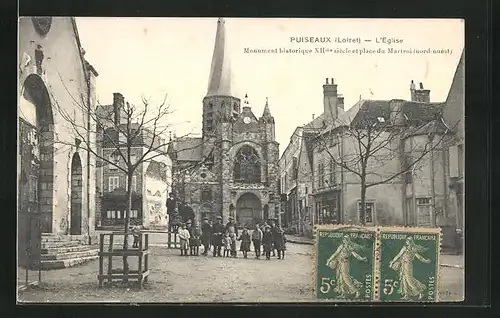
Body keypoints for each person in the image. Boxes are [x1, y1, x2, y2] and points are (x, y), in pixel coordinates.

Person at [326, 234, 367, 298]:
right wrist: (329, 260)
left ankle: (356, 291)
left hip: (345, 263)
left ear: (348, 240)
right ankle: (343, 293)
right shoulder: (341, 246)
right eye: (344, 239)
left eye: (346, 239)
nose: (344, 241)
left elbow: (355, 255)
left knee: (345, 278)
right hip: (339, 263)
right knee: (340, 278)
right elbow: (335, 254)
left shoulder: (350, 247)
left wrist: (361, 259)